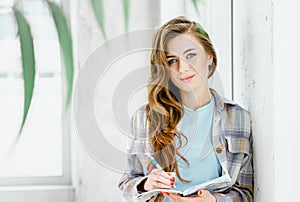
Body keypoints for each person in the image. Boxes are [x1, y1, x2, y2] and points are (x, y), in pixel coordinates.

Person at [118, 16, 253, 202]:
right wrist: (147, 184)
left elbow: (245, 194)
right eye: (172, 60)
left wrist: (213, 201)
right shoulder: (145, 117)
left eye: (191, 55)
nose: (183, 68)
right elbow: (127, 186)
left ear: (209, 56)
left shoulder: (238, 118)